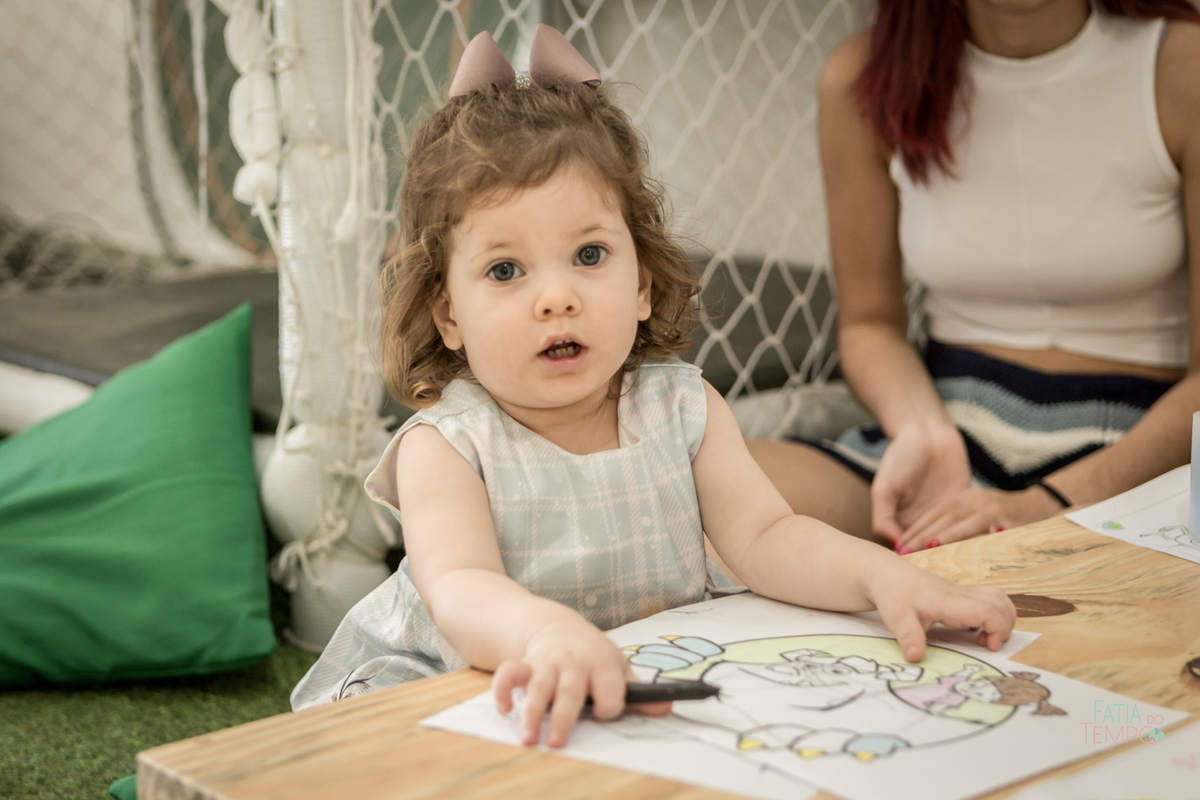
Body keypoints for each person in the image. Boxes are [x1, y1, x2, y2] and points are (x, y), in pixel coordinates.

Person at [289, 25, 1016, 748]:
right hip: (469, 681)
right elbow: (461, 589)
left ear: (641, 282)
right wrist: (545, 635)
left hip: (639, 682)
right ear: (448, 313)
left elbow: (768, 536)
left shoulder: (682, 407)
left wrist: (879, 579)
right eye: (505, 271)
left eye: (590, 254)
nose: (556, 297)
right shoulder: (447, 446)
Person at [749, 0, 1200, 554]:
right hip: (948, 434)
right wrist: (923, 433)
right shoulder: (862, 79)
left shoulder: (1182, 62)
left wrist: (1047, 504)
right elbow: (869, 326)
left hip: (1138, 454)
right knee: (708, 502)